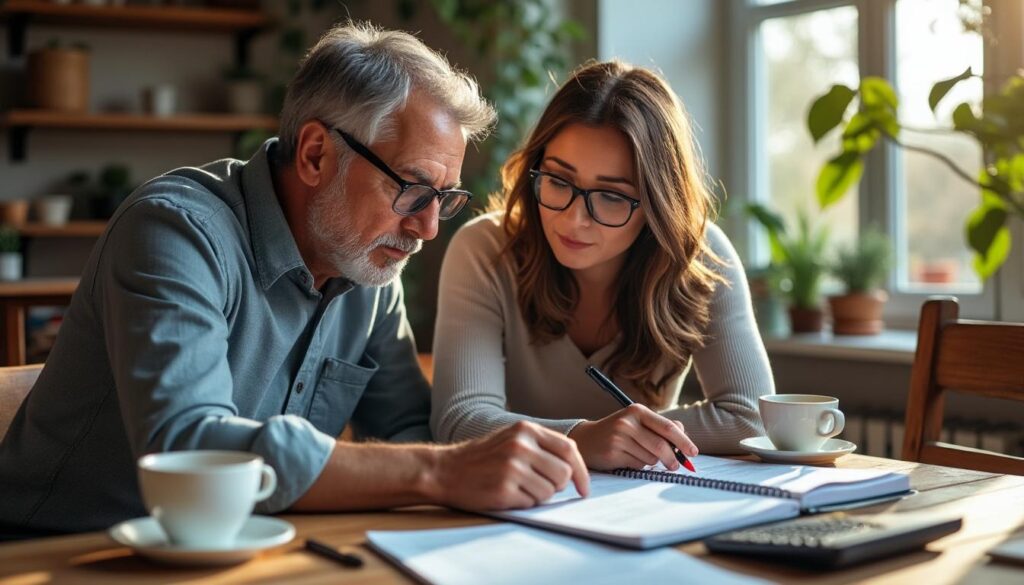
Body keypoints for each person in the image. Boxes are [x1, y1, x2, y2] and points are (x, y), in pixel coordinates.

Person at [0, 23, 588, 540]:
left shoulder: (370, 270)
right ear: (314, 154)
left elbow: (410, 431)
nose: (429, 228)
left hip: (254, 554)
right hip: (59, 555)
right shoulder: (175, 231)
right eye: (411, 188)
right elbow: (189, 448)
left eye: (444, 198)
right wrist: (440, 472)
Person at [431, 60, 774, 472]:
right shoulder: (484, 249)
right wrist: (580, 438)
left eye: (611, 196)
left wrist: (612, 440)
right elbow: (458, 421)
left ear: (656, 205)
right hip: (519, 500)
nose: (575, 219)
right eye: (558, 180)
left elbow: (750, 417)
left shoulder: (698, 256)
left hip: (640, 506)